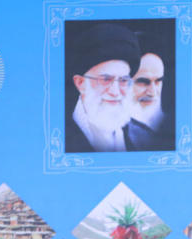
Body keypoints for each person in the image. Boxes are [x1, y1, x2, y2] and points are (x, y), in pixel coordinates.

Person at [65, 22, 163, 153]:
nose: (115, 92)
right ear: (80, 83)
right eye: (105, 79)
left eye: (123, 80)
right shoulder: (59, 138)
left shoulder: (144, 138)